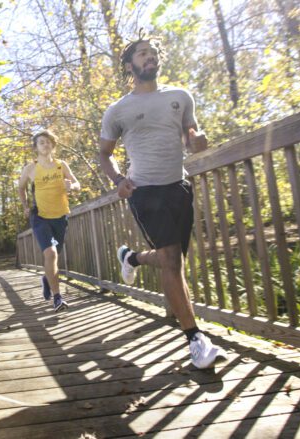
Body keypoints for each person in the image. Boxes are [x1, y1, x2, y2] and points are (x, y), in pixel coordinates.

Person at [98, 36, 225, 369]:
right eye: (143, 54)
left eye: (153, 53)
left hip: (178, 187)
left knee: (175, 261)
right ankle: (195, 340)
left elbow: (191, 135)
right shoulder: (118, 110)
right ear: (130, 65)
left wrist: (197, 140)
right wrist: (118, 181)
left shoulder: (180, 96)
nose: (150, 57)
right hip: (145, 190)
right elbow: (104, 154)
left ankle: (133, 258)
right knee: (171, 259)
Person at [18, 129, 81, 312]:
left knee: (55, 254)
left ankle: (47, 278)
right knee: (51, 254)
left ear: (53, 145)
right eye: (41, 142)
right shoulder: (30, 169)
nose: (45, 145)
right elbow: (21, 188)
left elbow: (77, 184)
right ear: (36, 147)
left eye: (48, 142)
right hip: (40, 216)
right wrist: (25, 205)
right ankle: (58, 298)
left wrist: (72, 187)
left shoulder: (62, 165)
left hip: (60, 216)